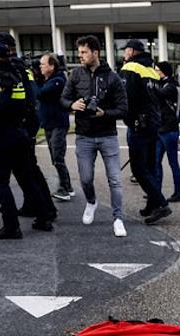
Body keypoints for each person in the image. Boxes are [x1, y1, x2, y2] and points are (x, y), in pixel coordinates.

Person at [0, 41, 54, 238]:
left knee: (0, 182)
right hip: (19, 133)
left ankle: (11, 226)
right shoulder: (19, 74)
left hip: (2, 136)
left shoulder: (1, 78)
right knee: (27, 178)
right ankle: (44, 217)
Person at [61, 36, 127, 237]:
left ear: (95, 53)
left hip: (107, 135)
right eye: (79, 52)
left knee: (115, 180)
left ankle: (118, 218)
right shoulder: (75, 75)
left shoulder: (112, 77)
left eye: (84, 52)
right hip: (84, 136)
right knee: (86, 178)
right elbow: (63, 98)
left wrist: (104, 113)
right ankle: (91, 202)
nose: (80, 56)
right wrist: (71, 105)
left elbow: (123, 108)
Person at [120, 38, 170, 225]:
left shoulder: (130, 68)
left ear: (132, 51)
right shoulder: (152, 70)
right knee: (150, 167)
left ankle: (161, 203)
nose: (124, 53)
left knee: (139, 169)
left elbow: (127, 98)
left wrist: (128, 120)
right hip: (154, 124)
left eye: (126, 50)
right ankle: (152, 205)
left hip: (138, 125)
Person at [38, 52, 74, 201]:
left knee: (58, 157)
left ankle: (64, 189)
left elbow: (41, 93)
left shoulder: (58, 80)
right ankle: (69, 187)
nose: (40, 67)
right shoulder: (47, 79)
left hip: (58, 124)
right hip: (49, 124)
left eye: (43, 64)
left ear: (52, 66)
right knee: (55, 158)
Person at [155, 60, 180, 204]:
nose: (155, 72)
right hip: (161, 129)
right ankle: (156, 192)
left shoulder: (171, 86)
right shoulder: (162, 84)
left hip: (170, 130)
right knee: (156, 162)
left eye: (157, 70)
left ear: (164, 72)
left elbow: (158, 94)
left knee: (173, 163)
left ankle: (178, 193)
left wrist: (150, 82)